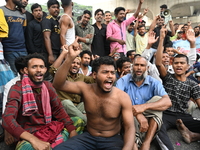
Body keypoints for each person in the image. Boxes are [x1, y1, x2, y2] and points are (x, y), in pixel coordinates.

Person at [53, 39, 135, 150]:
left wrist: (127, 148)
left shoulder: (122, 97)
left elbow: (129, 127)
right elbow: (58, 84)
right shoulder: (85, 89)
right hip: (88, 138)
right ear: (95, 75)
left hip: (112, 141)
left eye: (112, 72)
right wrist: (70, 58)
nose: (110, 76)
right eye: (105, 72)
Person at [2, 53, 85, 149]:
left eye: (41, 67)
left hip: (48, 129)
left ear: (45, 70)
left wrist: (72, 131)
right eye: (34, 67)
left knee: (78, 121)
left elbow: (59, 110)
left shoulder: (48, 86)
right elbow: (7, 118)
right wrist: (34, 140)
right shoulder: (17, 88)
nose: (38, 70)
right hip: (29, 135)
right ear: (26, 70)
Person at [155, 26, 200, 150]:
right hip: (166, 114)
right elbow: (158, 63)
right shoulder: (167, 77)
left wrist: (192, 43)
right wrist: (161, 40)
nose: (179, 65)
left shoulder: (192, 84)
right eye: (176, 63)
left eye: (182, 63)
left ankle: (193, 136)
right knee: (156, 127)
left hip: (184, 116)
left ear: (187, 66)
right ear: (172, 65)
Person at [116, 56, 171, 150]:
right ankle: (135, 142)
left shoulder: (154, 82)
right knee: (128, 117)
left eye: (142, 65)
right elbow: (117, 102)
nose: (139, 68)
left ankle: (146, 143)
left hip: (149, 116)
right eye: (136, 65)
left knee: (158, 99)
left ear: (147, 68)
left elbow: (168, 102)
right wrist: (138, 114)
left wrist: (143, 107)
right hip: (128, 115)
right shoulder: (123, 80)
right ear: (132, 67)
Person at [50, 49, 94, 125]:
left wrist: (96, 63)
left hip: (77, 107)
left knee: (87, 102)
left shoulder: (82, 77)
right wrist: (64, 53)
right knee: (67, 102)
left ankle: (81, 120)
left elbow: (95, 80)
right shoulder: (62, 75)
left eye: (78, 63)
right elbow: (52, 70)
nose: (75, 65)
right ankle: (88, 123)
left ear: (80, 66)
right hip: (63, 106)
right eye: (73, 62)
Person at [0, 0, 27, 76]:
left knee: (25, 74)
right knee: (12, 75)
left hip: (22, 49)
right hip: (9, 49)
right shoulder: (1, 11)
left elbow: (23, 30)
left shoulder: (22, 13)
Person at [41, 0, 61, 65]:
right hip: (50, 52)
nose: (56, 9)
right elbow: (46, 37)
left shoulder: (58, 20)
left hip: (58, 51)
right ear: (48, 8)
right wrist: (50, 54)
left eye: (57, 7)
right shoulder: (47, 20)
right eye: (53, 7)